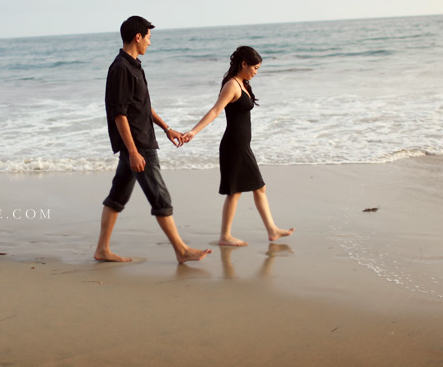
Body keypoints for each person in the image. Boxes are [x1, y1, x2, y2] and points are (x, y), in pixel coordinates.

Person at [94, 16, 211, 264]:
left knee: (117, 197)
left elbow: (143, 106)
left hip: (137, 143)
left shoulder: (133, 65)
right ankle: (181, 250)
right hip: (138, 146)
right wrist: (134, 152)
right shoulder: (121, 69)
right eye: (148, 37)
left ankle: (102, 250)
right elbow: (120, 114)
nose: (150, 42)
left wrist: (167, 127)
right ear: (138, 37)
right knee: (160, 196)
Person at [182, 46, 294, 246]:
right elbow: (215, 111)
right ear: (244, 64)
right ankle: (228, 236)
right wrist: (193, 131)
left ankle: (271, 230)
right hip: (234, 146)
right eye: (255, 68)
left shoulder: (242, 83)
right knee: (243, 190)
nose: (256, 72)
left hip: (242, 145)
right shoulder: (232, 86)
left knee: (254, 189)